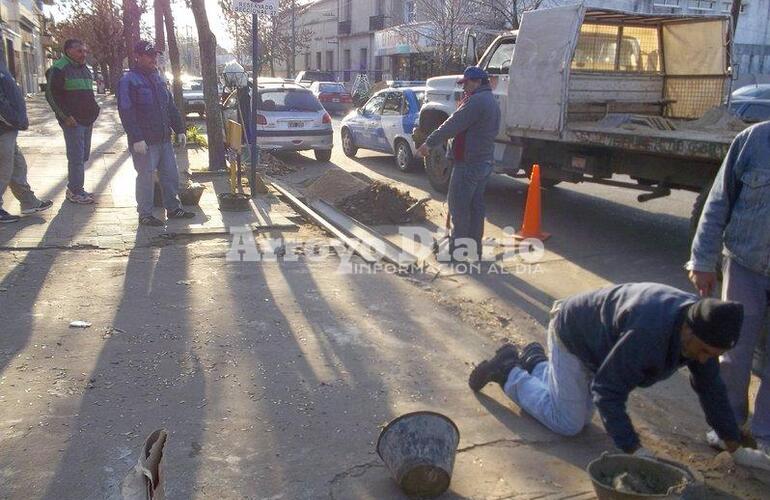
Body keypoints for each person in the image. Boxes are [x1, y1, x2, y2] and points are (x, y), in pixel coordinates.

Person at [469, 283, 770, 470]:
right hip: (573, 336)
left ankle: (536, 362)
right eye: (704, 351)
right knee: (570, 422)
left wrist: (735, 447)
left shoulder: (700, 330)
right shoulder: (649, 333)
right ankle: (509, 370)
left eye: (711, 354)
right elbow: (607, 390)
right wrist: (632, 449)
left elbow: (712, 389)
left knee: (577, 410)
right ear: (689, 330)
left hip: (601, 345)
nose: (704, 359)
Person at [688, 121, 770, 455]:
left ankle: (766, 434)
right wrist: (703, 261)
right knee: (733, 352)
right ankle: (728, 425)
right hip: (745, 265)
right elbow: (718, 202)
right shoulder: (754, 140)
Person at [416, 66, 500, 261]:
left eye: (468, 83)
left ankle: (458, 252)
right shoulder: (490, 101)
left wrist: (428, 144)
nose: (464, 87)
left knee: (459, 207)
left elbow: (452, 124)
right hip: (484, 161)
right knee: (475, 207)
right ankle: (473, 250)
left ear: (479, 82)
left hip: (469, 163)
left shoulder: (477, 101)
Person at [117, 41, 193, 226]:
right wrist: (136, 138)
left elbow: (170, 106)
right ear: (137, 56)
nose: (153, 59)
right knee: (145, 177)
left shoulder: (158, 78)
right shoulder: (129, 81)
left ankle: (173, 208)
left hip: (163, 138)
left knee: (170, 175)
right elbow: (126, 111)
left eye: (154, 55)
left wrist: (180, 129)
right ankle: (145, 214)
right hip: (145, 141)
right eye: (149, 55)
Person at [45, 39, 100, 205]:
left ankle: (76, 187)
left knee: (83, 155)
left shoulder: (84, 68)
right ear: (68, 50)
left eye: (85, 51)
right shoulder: (59, 68)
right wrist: (65, 116)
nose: (83, 54)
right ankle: (75, 190)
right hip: (73, 122)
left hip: (87, 120)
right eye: (79, 51)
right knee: (76, 157)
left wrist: (94, 111)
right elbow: (51, 95)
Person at [0, 65, 53, 223]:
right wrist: (15, 119)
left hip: (8, 128)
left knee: (17, 166)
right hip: (4, 128)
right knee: (4, 169)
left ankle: (28, 201)